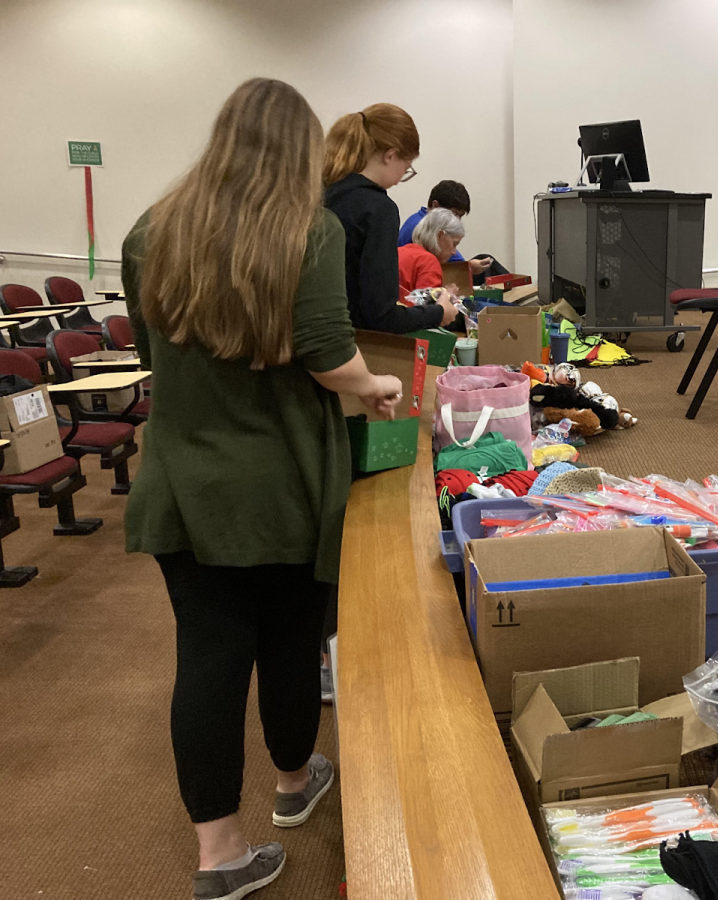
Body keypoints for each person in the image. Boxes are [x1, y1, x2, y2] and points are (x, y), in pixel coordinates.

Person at [121, 77, 405, 900]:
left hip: (182, 480)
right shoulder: (305, 231)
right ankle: (292, 784)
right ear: (297, 152)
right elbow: (326, 351)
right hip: (279, 483)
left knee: (206, 661)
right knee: (287, 645)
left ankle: (219, 857)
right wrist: (374, 388)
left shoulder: (153, 230)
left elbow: (150, 344)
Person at [323, 104, 456, 333]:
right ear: (390, 155)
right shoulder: (378, 209)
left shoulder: (324, 194)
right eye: (406, 167)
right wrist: (439, 312)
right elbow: (381, 316)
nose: (400, 178)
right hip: (352, 342)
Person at [398, 179, 509, 285]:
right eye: (454, 214)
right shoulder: (423, 228)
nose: (456, 220)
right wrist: (468, 267)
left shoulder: (416, 221)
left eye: (459, 216)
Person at [397, 206, 465, 295]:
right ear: (440, 235)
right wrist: (447, 296)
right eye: (454, 244)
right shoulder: (428, 262)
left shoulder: (398, 252)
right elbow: (428, 306)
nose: (454, 252)